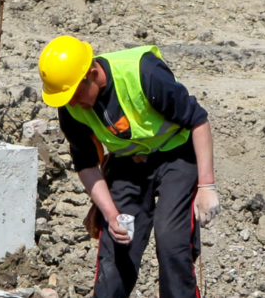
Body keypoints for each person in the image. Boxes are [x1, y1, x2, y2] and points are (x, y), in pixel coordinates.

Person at [37, 35, 220, 298]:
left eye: (74, 93)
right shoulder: (70, 106)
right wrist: (110, 215)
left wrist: (206, 186)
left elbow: (198, 121)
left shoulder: (143, 72)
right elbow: (86, 164)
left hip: (177, 156)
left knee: (171, 241)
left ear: (92, 73)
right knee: (118, 242)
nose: (72, 103)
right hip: (129, 162)